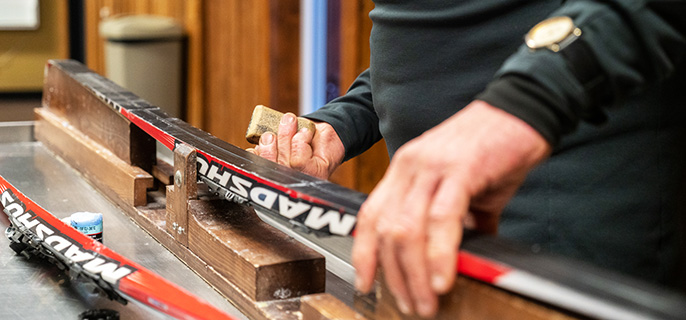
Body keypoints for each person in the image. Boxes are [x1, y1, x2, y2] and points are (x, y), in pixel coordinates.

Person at [251, 0, 686, 318]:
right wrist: (341, 126)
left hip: (563, 223)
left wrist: (527, 101)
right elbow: (431, 51)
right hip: (432, 241)